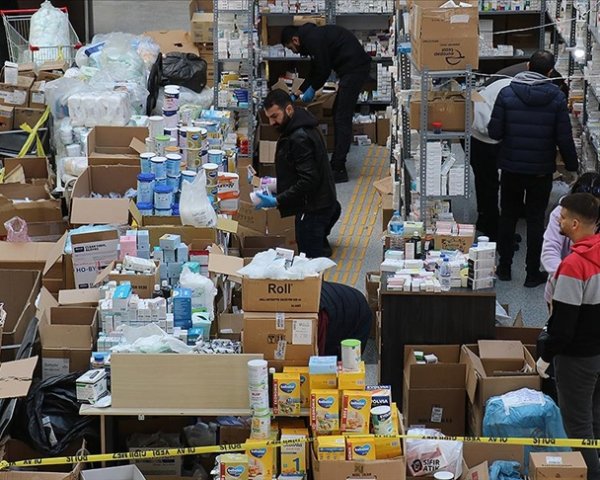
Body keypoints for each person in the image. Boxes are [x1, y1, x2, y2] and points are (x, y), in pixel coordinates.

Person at [488, 50, 578, 287]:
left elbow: (494, 132)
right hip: (540, 170)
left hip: (510, 168)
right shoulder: (557, 99)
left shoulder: (507, 93)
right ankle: (531, 273)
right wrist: (572, 166)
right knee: (536, 221)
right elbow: (564, 138)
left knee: (507, 215)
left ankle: (505, 268)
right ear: (550, 71)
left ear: (527, 66)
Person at [470, 52, 569, 241]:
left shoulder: (519, 82)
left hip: (484, 127)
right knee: (489, 184)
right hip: (483, 132)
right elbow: (503, 126)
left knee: (488, 183)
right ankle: (492, 230)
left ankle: (489, 222)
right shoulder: (517, 90)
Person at [537, 193, 600, 480]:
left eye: (562, 217)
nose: (558, 221)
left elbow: (563, 326)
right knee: (596, 419)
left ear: (575, 224)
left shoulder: (574, 266)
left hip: (578, 358)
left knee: (577, 426)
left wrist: (545, 357)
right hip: (597, 352)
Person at [281, 23, 372, 183]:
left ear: (295, 40)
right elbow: (314, 69)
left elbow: (323, 70)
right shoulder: (310, 37)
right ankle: (337, 163)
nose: (293, 51)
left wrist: (311, 89)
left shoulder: (312, 39)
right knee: (339, 113)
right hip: (350, 70)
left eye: (290, 48)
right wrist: (298, 92)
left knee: (341, 117)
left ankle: (338, 168)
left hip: (354, 69)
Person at [256, 89, 341, 258]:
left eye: (274, 116)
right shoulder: (302, 124)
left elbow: (308, 180)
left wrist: (278, 199)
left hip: (312, 210)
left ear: (288, 109)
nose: (272, 123)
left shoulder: (298, 137)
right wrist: (277, 185)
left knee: (309, 263)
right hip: (323, 202)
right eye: (268, 118)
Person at [542, 173, 600, 304]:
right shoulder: (561, 214)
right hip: (562, 285)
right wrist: (568, 277)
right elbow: (550, 250)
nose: (590, 211)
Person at [318, 281, 372, 358]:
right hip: (338, 307)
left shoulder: (318, 318)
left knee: (348, 361)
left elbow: (317, 356)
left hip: (358, 314)